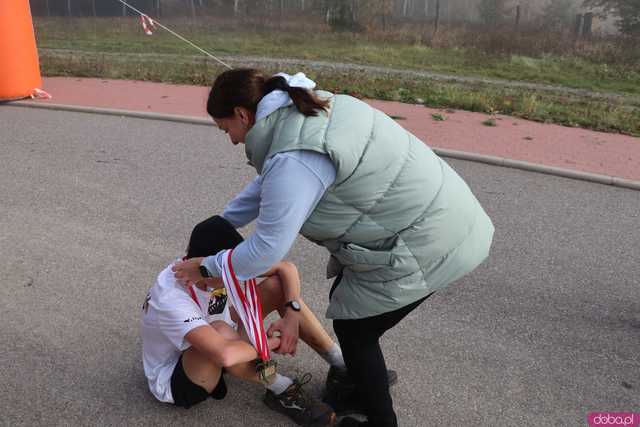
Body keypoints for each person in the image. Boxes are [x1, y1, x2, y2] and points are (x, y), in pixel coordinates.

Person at [172, 69, 495, 427]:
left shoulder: (293, 155)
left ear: (243, 115)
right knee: (350, 301)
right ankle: (356, 378)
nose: (231, 140)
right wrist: (222, 224)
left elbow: (266, 251)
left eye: (226, 129)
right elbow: (271, 186)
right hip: (448, 215)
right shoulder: (303, 112)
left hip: (431, 239)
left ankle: (379, 418)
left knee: (357, 330)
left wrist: (206, 267)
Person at [141, 215, 347, 426]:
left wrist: (292, 317)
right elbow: (226, 355)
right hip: (180, 377)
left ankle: (342, 365)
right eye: (233, 272)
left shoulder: (216, 266)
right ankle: (282, 389)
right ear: (205, 267)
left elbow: (286, 269)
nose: (239, 276)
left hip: (216, 336)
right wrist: (271, 344)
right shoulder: (170, 298)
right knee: (222, 333)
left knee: (277, 286)